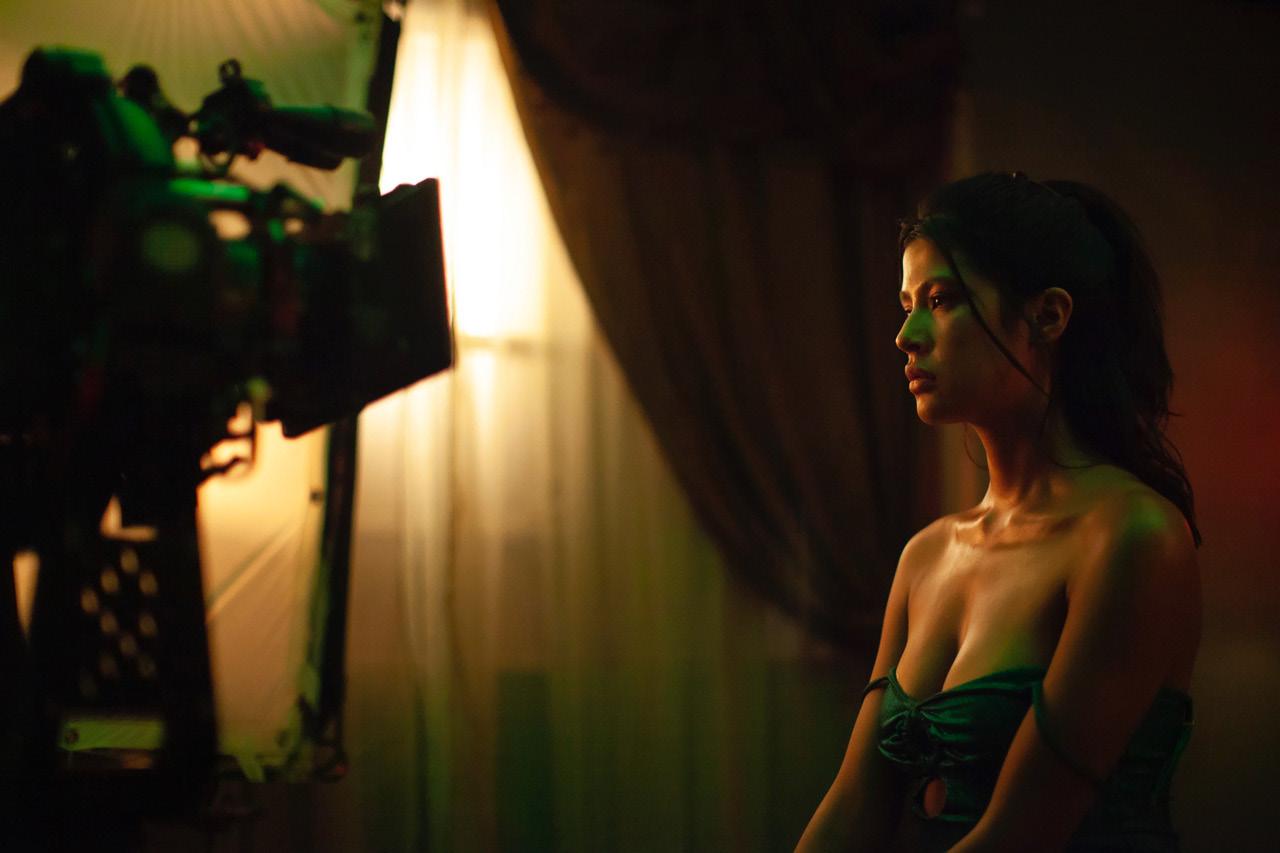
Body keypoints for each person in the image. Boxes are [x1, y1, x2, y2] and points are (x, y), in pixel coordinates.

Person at [796, 172, 1201, 852]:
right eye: (906, 304)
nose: (905, 335)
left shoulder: (1132, 537)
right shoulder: (926, 555)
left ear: (1048, 316)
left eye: (941, 301)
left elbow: (1020, 834)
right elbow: (854, 801)